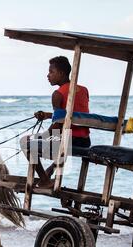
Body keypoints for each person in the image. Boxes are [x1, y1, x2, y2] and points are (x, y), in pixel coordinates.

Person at [20, 56, 91, 188]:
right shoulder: (84, 90)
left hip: (66, 142)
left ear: (61, 73)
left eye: (51, 72)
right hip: (85, 142)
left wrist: (43, 136)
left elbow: (57, 126)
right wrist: (47, 115)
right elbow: (71, 115)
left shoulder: (57, 94)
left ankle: (45, 180)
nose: (48, 75)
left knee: (25, 142)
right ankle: (51, 170)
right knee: (61, 136)